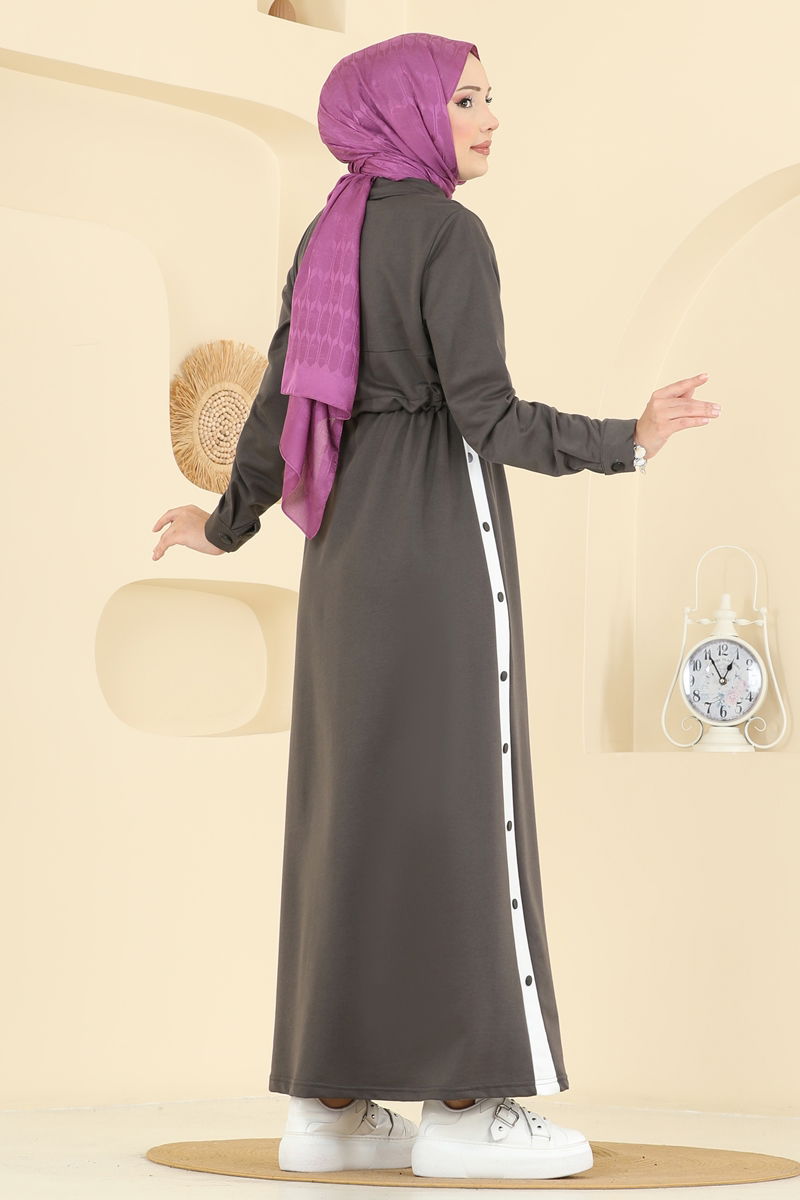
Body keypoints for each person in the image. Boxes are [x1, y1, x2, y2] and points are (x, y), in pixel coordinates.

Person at [151, 32, 719, 1181]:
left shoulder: (329, 234)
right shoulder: (449, 236)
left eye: (486, 98)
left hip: (342, 561)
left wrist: (225, 523)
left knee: (352, 814)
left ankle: (328, 1107)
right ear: (407, 111)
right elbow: (487, 417)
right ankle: (466, 1107)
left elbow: (275, 410)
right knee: (463, 805)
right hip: (434, 544)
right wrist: (628, 438)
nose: (489, 118)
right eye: (466, 99)